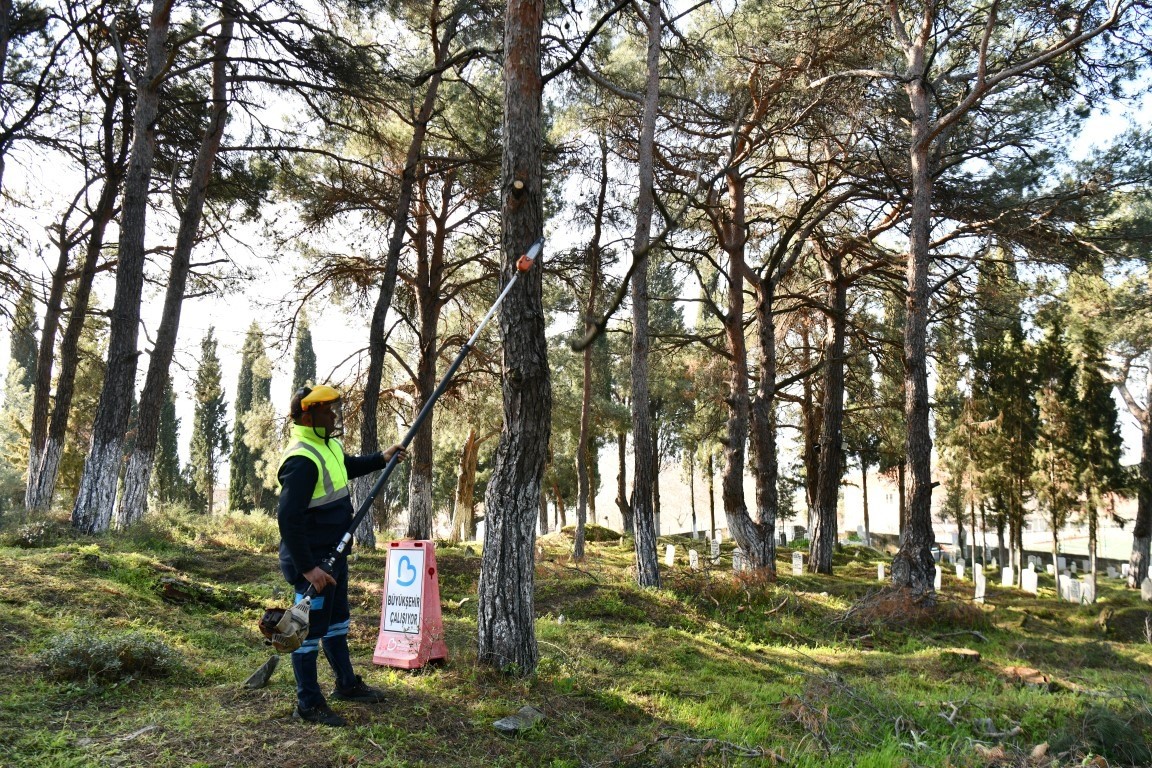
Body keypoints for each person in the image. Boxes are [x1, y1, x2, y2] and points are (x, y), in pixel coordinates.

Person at [277, 384, 406, 727]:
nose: (334, 416)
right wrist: (308, 570)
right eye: (327, 411)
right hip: (315, 564)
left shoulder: (327, 445)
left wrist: (382, 457)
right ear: (308, 414)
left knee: (337, 622)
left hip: (335, 555)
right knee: (306, 632)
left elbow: (345, 467)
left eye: (334, 409)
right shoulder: (302, 458)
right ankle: (308, 703)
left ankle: (346, 684)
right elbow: (288, 519)